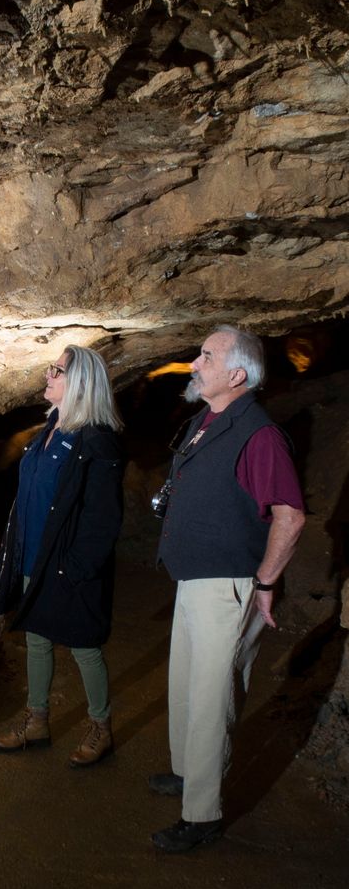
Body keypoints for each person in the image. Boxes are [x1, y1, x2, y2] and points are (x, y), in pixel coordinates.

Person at [148, 325, 305, 853]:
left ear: (237, 374)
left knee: (213, 698)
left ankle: (203, 813)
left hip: (228, 584)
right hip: (193, 579)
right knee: (186, 686)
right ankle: (188, 774)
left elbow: (290, 515)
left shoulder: (257, 435)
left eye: (207, 357)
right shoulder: (204, 421)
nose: (194, 363)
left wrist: (264, 582)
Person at [0, 345, 125, 767]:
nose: (47, 375)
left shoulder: (96, 441)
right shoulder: (47, 430)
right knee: (37, 640)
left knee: (84, 646)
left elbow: (103, 518)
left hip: (67, 565)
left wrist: (78, 568)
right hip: (34, 559)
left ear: (78, 382)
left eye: (56, 370)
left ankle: (101, 726)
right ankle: (37, 720)